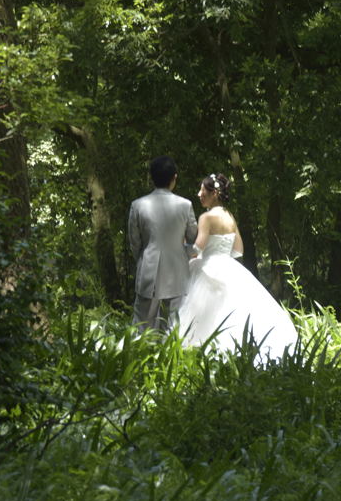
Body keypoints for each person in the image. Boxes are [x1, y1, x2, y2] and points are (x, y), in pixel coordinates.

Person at [178, 173, 298, 361]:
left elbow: (197, 249)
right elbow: (238, 250)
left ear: (214, 193)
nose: (199, 194)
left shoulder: (206, 218)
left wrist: (183, 245)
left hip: (208, 266)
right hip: (229, 266)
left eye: (202, 190)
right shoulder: (230, 216)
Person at [128, 155, 198, 333]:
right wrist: (185, 252)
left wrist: (144, 258)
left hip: (148, 270)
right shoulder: (185, 205)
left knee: (142, 326)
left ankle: (140, 359)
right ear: (174, 177)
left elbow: (134, 242)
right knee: (173, 327)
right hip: (178, 271)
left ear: (151, 178)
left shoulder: (138, 205)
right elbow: (193, 238)